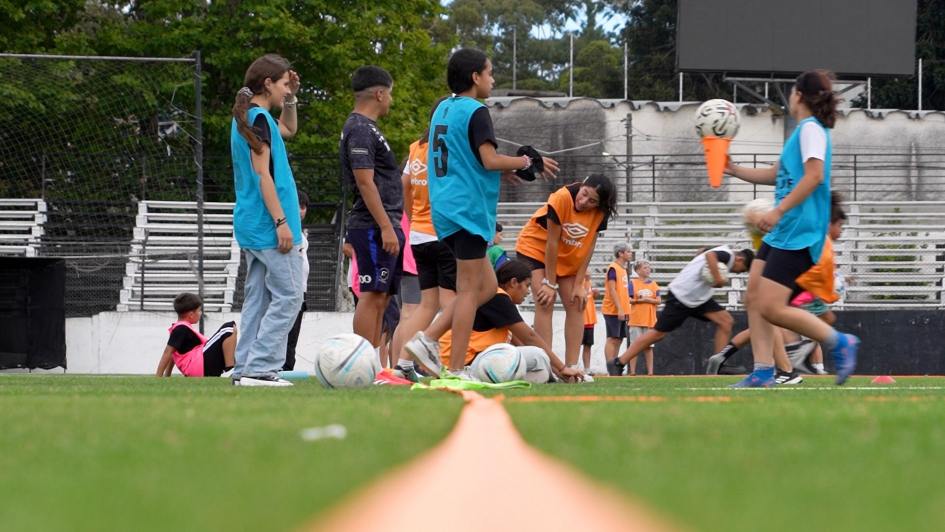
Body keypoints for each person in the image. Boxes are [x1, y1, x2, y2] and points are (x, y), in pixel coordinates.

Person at [404, 48, 570, 380]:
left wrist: (497, 172)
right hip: (467, 211)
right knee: (469, 291)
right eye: (490, 72)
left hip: (446, 209)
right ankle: (454, 369)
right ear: (475, 77)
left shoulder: (444, 110)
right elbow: (489, 159)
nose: (493, 79)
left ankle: (428, 339)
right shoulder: (476, 110)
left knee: (486, 287)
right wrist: (525, 163)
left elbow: (466, 160)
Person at [726, 70, 859, 387]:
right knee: (753, 297)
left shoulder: (812, 129)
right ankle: (763, 372)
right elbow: (777, 174)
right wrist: (733, 169)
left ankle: (840, 341)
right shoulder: (801, 132)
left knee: (771, 306)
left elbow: (813, 177)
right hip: (784, 230)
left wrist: (778, 210)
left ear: (798, 94)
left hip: (799, 230)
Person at [230, 54, 304, 387]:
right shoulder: (257, 120)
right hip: (268, 226)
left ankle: (243, 368)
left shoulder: (251, 118)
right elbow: (263, 175)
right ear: (268, 84)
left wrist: (291, 101)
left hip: (250, 224)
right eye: (284, 85)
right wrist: (281, 222)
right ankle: (260, 369)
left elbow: (289, 128)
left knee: (257, 300)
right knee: (290, 296)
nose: (287, 89)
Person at [514, 174, 618, 373]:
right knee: (545, 300)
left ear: (600, 204)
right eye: (584, 194)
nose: (584, 201)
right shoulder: (561, 197)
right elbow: (552, 242)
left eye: (592, 201)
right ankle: (545, 366)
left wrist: (579, 284)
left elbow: (589, 246)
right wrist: (550, 284)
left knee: (577, 303)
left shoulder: (600, 213)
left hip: (567, 255)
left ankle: (572, 367)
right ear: (582, 184)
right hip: (536, 248)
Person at [607, 246, 754, 376]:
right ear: (740, 259)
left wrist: (700, 271)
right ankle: (619, 362)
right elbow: (709, 256)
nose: (737, 273)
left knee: (726, 321)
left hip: (698, 298)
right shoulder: (728, 255)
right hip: (682, 295)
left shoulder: (723, 251)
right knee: (658, 333)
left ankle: (718, 364)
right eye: (741, 270)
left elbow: (702, 252)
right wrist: (717, 278)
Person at [390, 97, 455, 382]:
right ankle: (452, 364)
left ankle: (402, 363)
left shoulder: (416, 148)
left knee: (425, 306)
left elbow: (404, 187)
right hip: (445, 233)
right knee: (459, 300)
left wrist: (415, 216)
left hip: (418, 235)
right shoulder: (448, 147)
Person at [437, 260, 578, 383]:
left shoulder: (497, 299)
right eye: (527, 285)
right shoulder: (498, 297)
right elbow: (529, 338)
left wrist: (556, 369)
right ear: (514, 282)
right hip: (467, 363)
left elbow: (520, 342)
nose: (528, 292)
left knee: (540, 373)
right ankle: (562, 375)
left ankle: (559, 377)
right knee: (538, 355)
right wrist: (562, 367)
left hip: (470, 362)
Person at [156, 293, 237, 377]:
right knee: (229, 328)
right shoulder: (181, 328)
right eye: (199, 310)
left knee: (226, 343)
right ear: (191, 314)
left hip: (199, 366)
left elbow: (173, 354)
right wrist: (159, 376)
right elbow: (167, 352)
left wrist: (167, 376)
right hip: (198, 365)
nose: (201, 313)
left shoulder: (180, 328)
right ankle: (230, 370)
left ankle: (236, 368)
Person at [283, 191, 309, 371]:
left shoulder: (301, 235)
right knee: (285, 333)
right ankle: (280, 368)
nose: (300, 211)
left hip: (301, 291)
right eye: (297, 206)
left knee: (293, 335)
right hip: (288, 290)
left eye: (303, 206)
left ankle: (287, 369)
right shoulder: (286, 232)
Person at [600, 243, 633, 369]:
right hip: (612, 309)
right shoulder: (613, 268)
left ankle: (614, 365)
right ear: (621, 253)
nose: (630, 254)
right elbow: (612, 290)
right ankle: (610, 366)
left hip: (622, 310)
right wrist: (619, 308)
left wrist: (626, 309)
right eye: (628, 251)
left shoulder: (622, 269)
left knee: (619, 338)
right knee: (612, 338)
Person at [626, 260, 661, 376]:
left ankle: (650, 372)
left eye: (648, 268)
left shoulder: (653, 284)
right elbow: (628, 299)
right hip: (636, 318)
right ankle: (632, 372)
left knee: (649, 347)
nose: (648, 270)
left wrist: (647, 300)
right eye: (645, 268)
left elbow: (659, 300)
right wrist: (638, 300)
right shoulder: (633, 283)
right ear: (638, 271)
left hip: (649, 319)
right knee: (634, 346)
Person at [581, 270, 600, 373]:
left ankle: (587, 369)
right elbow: (583, 296)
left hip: (589, 318)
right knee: (575, 345)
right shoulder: (577, 281)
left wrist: (594, 293)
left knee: (588, 345)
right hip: (580, 318)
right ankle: (569, 366)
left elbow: (588, 295)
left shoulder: (588, 281)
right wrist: (587, 280)